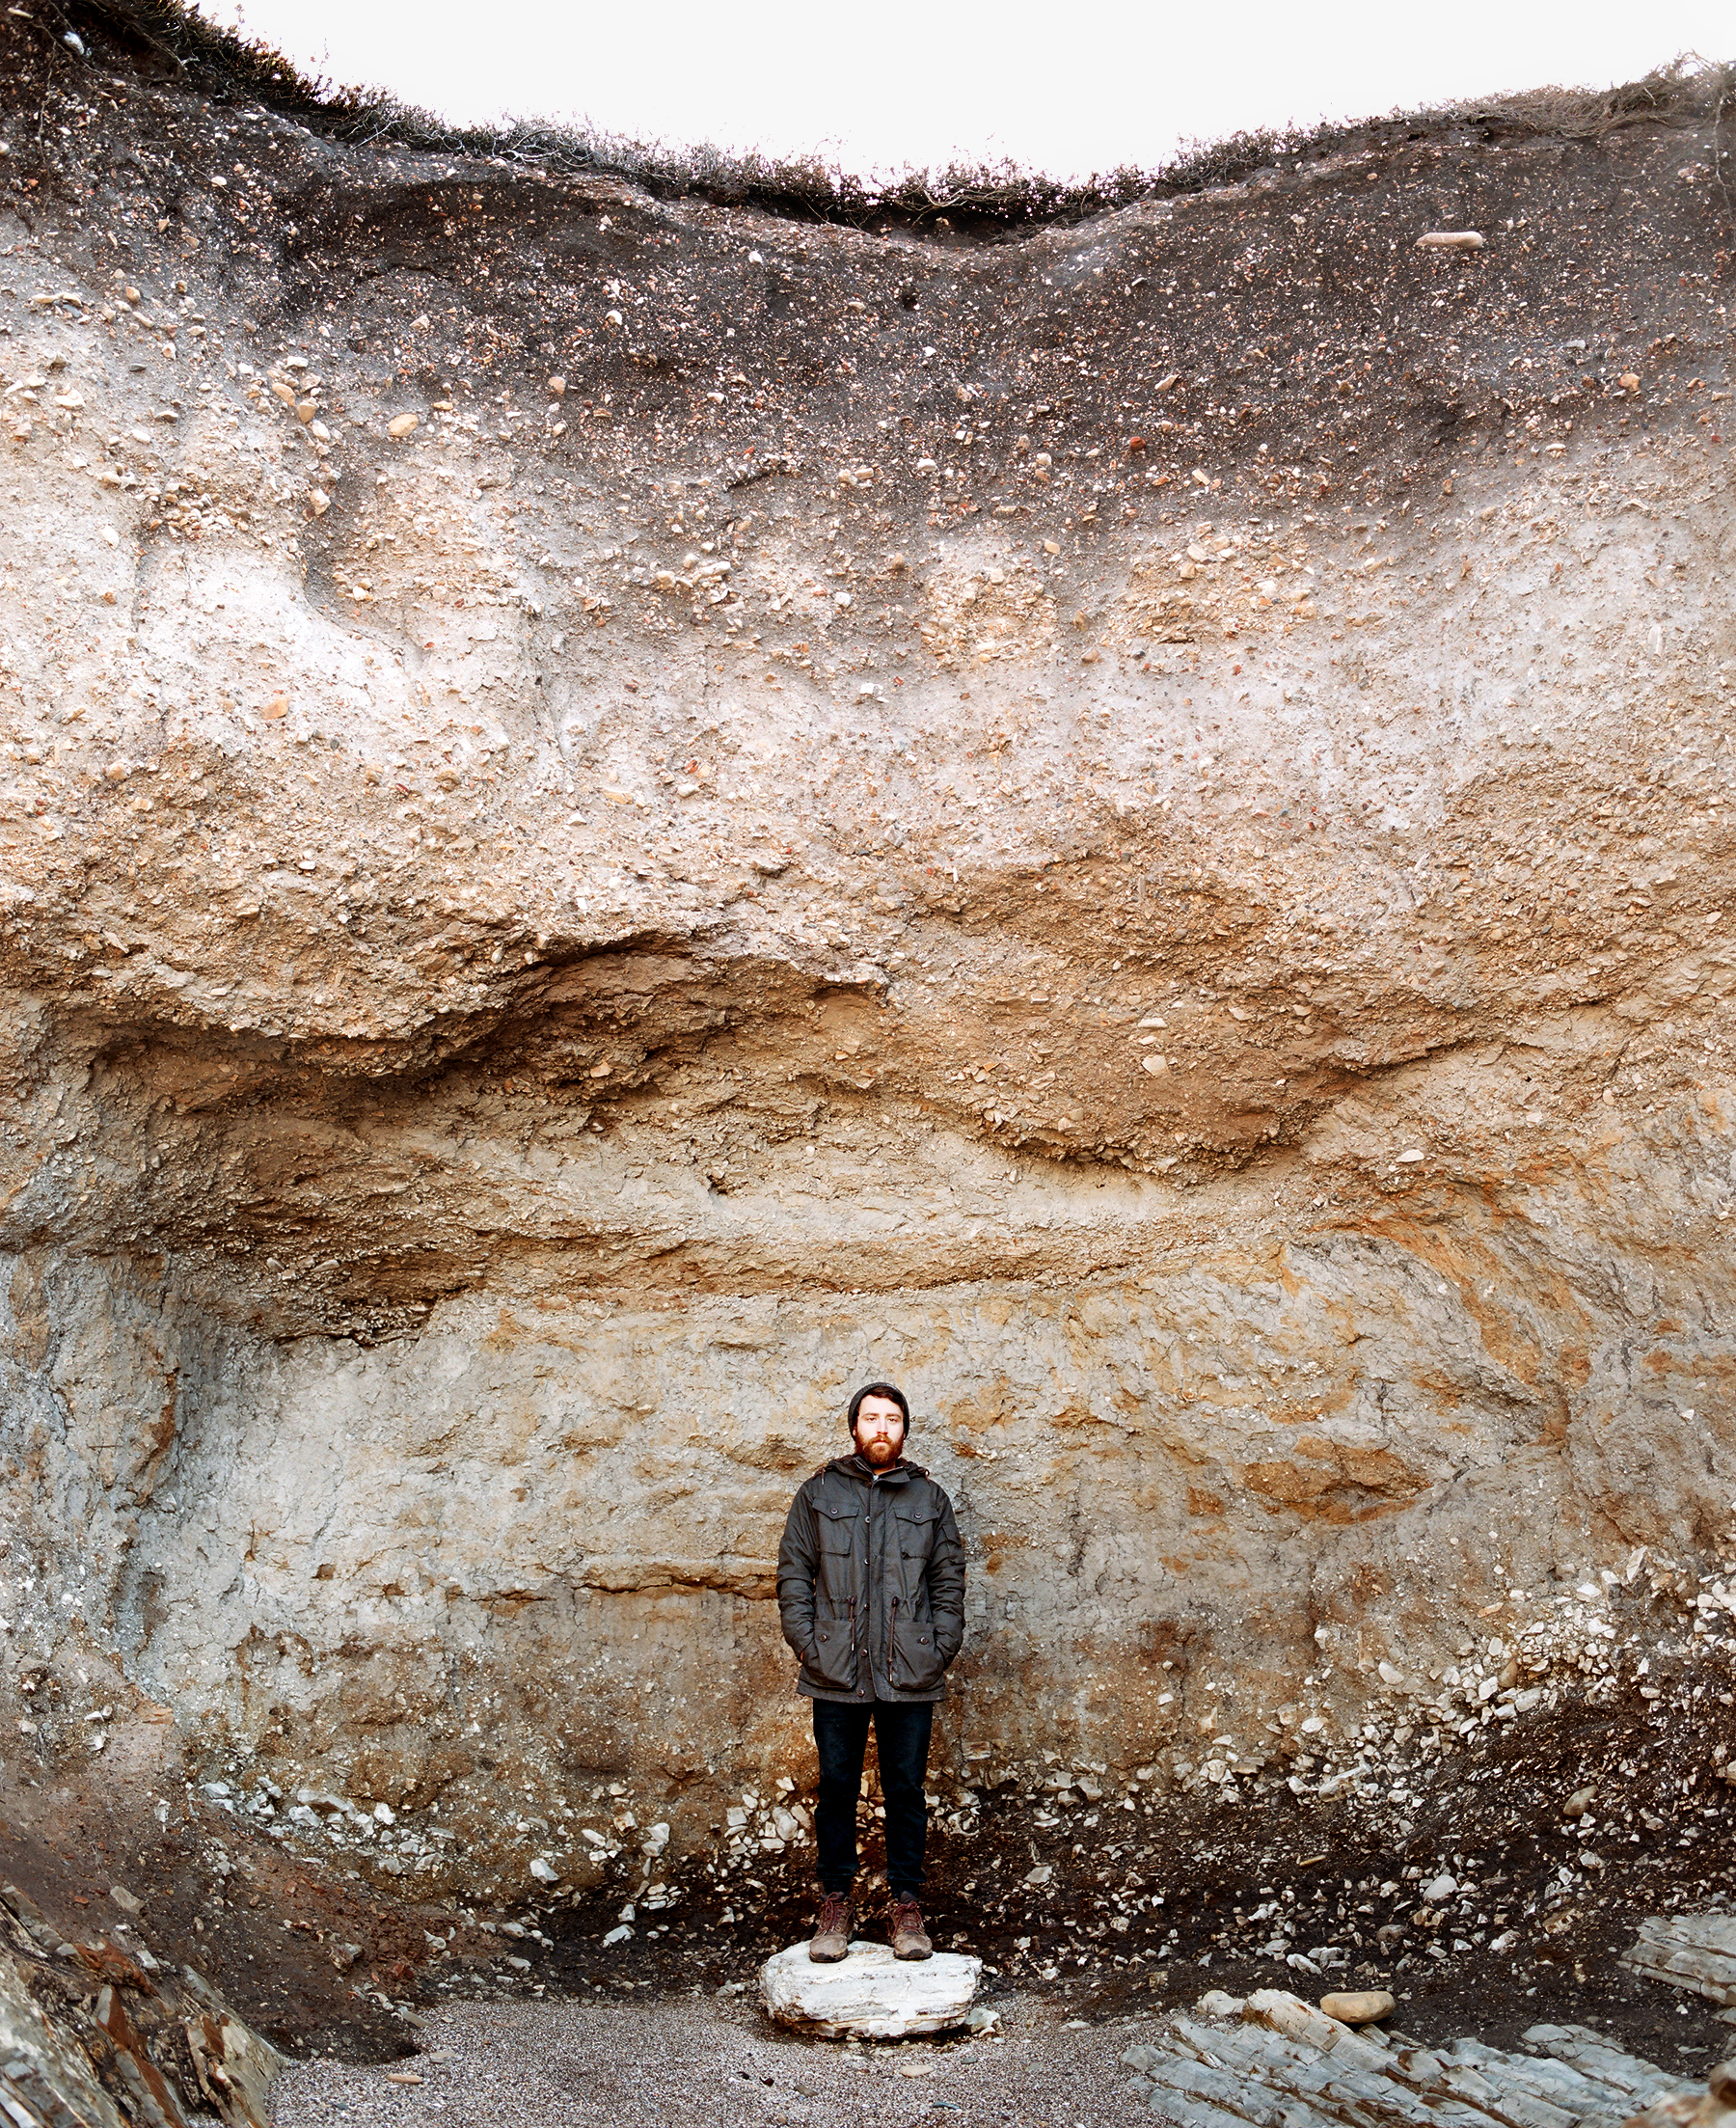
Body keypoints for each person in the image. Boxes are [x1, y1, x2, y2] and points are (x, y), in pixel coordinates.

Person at [775, 1381, 966, 1964]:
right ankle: (835, 1903)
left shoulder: (928, 1499)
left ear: (904, 1430)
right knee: (836, 1789)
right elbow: (793, 1574)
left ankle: (906, 1906)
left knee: (905, 1790)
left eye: (892, 1419)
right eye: (871, 1418)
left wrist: (938, 1648)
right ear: (853, 1426)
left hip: (910, 1668)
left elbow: (948, 1581)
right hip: (836, 1667)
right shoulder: (817, 1494)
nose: (881, 1428)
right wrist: (811, 1646)